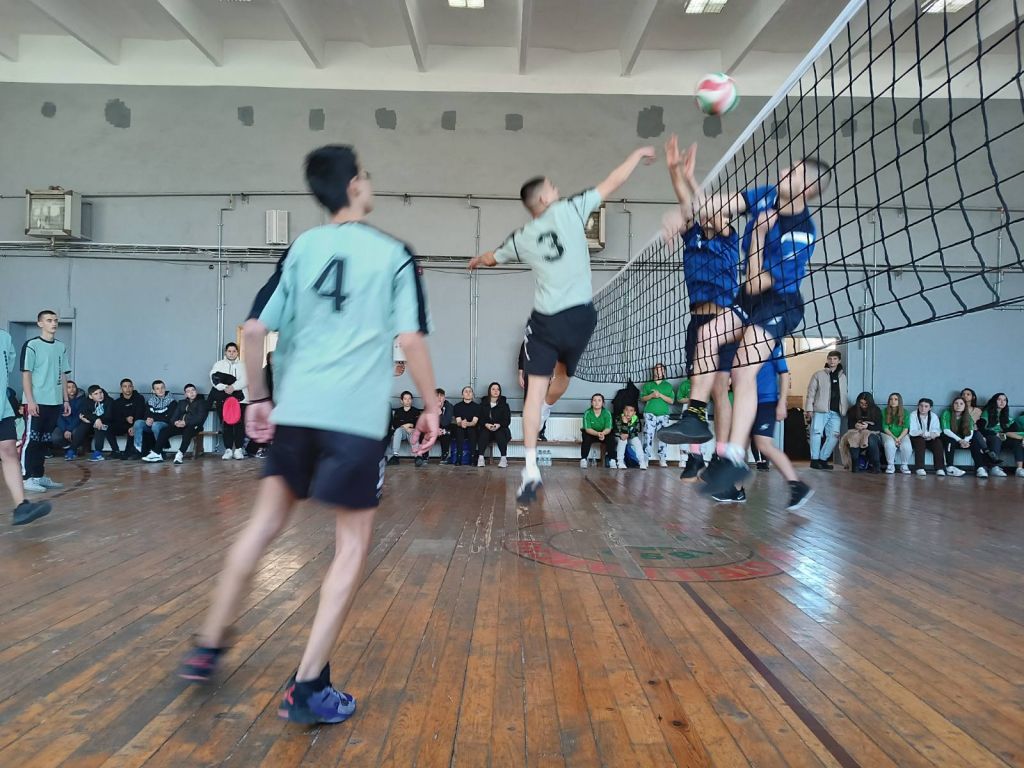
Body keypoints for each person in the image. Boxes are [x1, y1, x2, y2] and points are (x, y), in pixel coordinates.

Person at [180, 144, 439, 727]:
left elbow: (253, 331)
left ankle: (207, 646)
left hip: (296, 413)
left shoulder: (300, 249)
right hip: (355, 422)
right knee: (350, 547)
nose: (369, 181)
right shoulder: (395, 255)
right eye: (365, 174)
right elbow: (411, 340)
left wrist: (258, 399)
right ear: (353, 187)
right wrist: (431, 405)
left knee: (262, 527)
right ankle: (307, 686)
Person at [469, 145, 657, 505]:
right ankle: (544, 413)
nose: (557, 188)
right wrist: (636, 155)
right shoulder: (572, 208)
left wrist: (480, 259)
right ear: (543, 197)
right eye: (552, 186)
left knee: (533, 394)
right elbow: (613, 181)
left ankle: (530, 469)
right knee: (563, 377)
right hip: (582, 317)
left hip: (546, 322)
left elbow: (493, 257)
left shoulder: (522, 236)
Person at [659, 156, 832, 501]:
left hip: (778, 303)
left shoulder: (800, 233)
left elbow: (755, 282)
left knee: (741, 370)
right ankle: (695, 414)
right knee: (708, 335)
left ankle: (734, 457)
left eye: (794, 171)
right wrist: (682, 207)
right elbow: (714, 206)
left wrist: (759, 236)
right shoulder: (768, 195)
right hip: (749, 299)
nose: (784, 171)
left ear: (808, 188)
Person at [661, 137, 738, 481]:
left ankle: (720, 456)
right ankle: (694, 457)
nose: (709, 215)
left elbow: (705, 207)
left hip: (724, 321)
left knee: (720, 388)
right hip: (697, 320)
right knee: (697, 387)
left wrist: (692, 179)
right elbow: (685, 202)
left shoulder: (728, 238)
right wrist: (674, 170)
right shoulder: (692, 237)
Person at [714, 343, 813, 510]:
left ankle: (797, 485)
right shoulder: (738, 346)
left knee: (763, 444)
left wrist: (782, 402)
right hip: (744, 402)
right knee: (738, 446)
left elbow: (784, 374)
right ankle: (737, 491)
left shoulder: (772, 343)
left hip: (766, 402)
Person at [1, 328, 50, 524]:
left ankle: (22, 506)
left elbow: (7, 368)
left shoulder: (4, 337)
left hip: (2, 407)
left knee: (9, 451)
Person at [20, 310, 72, 493]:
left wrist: (65, 399)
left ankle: (38, 475)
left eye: (55, 320)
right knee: (31, 440)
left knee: (44, 441)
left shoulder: (61, 347)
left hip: (54, 402)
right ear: (40, 323)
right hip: (36, 402)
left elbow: (63, 374)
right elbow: (26, 374)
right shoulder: (32, 345)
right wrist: (30, 401)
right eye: (49, 320)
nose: (54, 323)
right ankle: (26, 477)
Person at [804, 351, 846, 470]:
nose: (832, 361)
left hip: (836, 411)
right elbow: (811, 392)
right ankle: (814, 460)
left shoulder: (842, 377)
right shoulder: (818, 375)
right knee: (816, 433)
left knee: (834, 436)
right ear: (827, 360)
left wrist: (844, 408)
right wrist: (809, 409)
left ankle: (823, 459)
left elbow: (844, 394)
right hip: (820, 410)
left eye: (835, 359)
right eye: (830, 359)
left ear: (839, 360)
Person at [150, 384, 210, 463]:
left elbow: (199, 418)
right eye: (188, 391)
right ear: (185, 394)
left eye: (193, 390)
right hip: (181, 426)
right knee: (164, 431)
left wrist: (185, 422)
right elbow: (174, 416)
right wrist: (175, 422)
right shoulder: (182, 402)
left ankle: (180, 454)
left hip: (195, 426)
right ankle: (157, 453)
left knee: (187, 432)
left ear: (196, 392)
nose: (191, 393)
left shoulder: (202, 402)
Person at [211, 342, 248, 460]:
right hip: (223, 399)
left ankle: (238, 449)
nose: (231, 353)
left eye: (234, 351)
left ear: (237, 352)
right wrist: (224, 387)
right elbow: (213, 378)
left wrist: (234, 387)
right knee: (226, 425)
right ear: (225, 352)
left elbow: (246, 380)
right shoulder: (218, 364)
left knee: (239, 425)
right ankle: (228, 450)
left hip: (241, 400)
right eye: (229, 351)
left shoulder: (244, 365)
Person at [640, 362, 675, 468]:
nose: (658, 371)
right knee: (647, 436)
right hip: (649, 413)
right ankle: (645, 459)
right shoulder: (648, 385)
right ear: (653, 371)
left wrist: (660, 395)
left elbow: (671, 400)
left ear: (664, 372)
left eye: (660, 369)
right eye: (656, 369)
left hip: (663, 414)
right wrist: (651, 395)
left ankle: (662, 459)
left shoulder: (668, 385)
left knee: (663, 437)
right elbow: (642, 398)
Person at [74, 385, 120, 461]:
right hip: (94, 424)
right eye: (96, 394)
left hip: (111, 424)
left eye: (100, 392)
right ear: (91, 396)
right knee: (83, 425)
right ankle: (72, 450)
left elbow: (108, 417)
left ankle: (98, 453)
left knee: (99, 426)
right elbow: (84, 413)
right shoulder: (87, 401)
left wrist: (96, 420)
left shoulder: (109, 401)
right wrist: (94, 419)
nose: (100, 395)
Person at [939, 396, 978, 477]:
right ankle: (950, 467)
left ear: (965, 406)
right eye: (956, 403)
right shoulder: (946, 413)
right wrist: (960, 440)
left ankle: (980, 467)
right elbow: (946, 430)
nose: (958, 405)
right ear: (953, 405)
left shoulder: (967, 416)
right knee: (950, 440)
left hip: (962, 440)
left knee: (975, 439)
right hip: (948, 437)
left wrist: (965, 441)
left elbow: (970, 431)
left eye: (961, 404)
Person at [844, 392, 882, 473]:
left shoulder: (876, 410)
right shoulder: (853, 410)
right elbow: (849, 426)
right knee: (853, 438)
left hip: (872, 433)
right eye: (861, 403)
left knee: (871, 439)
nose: (863, 405)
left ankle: (876, 465)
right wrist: (856, 425)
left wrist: (867, 426)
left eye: (866, 404)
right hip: (856, 433)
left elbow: (879, 427)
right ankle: (855, 464)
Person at [137, 380, 175, 460]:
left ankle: (159, 451)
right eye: (157, 388)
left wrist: (153, 419)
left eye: (162, 388)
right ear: (153, 391)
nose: (160, 390)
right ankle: (138, 447)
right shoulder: (150, 401)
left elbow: (169, 417)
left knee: (156, 425)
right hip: (151, 424)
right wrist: (147, 420)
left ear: (165, 388)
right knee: (138, 423)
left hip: (165, 424)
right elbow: (146, 414)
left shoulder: (172, 401)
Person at [477, 382, 511, 467]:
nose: (496, 391)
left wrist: (498, 425)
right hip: (486, 428)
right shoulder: (483, 404)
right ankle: (480, 458)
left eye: (498, 389)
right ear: (489, 391)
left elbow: (507, 420)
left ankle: (503, 459)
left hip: (500, 428)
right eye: (493, 389)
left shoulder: (504, 405)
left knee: (500, 433)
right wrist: (486, 424)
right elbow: (480, 418)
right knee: (484, 433)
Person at [977, 393, 1011, 477]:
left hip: (1003, 437)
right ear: (994, 401)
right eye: (999, 399)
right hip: (989, 436)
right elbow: (981, 429)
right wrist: (996, 434)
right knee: (996, 439)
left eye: (1004, 400)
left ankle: (1020, 469)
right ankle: (994, 467)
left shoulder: (1006, 414)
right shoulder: (987, 412)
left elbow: (1013, 429)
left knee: (1017, 441)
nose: (1002, 402)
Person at [110, 379, 146, 460]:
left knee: (133, 429)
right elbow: (116, 417)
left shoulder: (139, 398)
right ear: (121, 389)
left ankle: (130, 452)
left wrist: (133, 425)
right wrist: (125, 418)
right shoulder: (117, 402)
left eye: (130, 386)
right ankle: (116, 451)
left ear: (133, 387)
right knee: (108, 428)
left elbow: (140, 413)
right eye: (125, 386)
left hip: (136, 423)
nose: (127, 388)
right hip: (124, 424)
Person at [909, 398, 946, 476]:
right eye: (921, 406)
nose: (923, 408)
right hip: (917, 438)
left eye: (926, 406)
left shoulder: (934, 416)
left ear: (930, 408)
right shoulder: (913, 415)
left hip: (930, 438)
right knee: (920, 441)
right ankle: (920, 468)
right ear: (918, 406)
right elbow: (912, 431)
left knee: (938, 443)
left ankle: (939, 468)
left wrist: (930, 435)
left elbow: (937, 431)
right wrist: (926, 434)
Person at [387, 391, 425, 467]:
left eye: (409, 399)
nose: (407, 401)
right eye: (405, 399)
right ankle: (395, 456)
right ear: (402, 401)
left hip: (412, 431)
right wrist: (406, 426)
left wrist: (411, 425)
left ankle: (417, 457)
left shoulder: (416, 411)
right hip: (402, 432)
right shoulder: (398, 411)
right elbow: (395, 424)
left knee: (414, 433)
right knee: (398, 430)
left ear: (412, 400)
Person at [517, 343, 546, 441]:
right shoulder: (527, 341)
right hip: (529, 374)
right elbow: (521, 358)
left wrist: (553, 375)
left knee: (543, 405)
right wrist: (520, 375)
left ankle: (540, 432)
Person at [881, 392, 913, 474]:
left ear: (900, 401)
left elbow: (906, 429)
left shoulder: (906, 412)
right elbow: (885, 428)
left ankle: (904, 465)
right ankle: (890, 465)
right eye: (891, 399)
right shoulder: (884, 411)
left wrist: (899, 438)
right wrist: (895, 438)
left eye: (896, 399)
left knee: (907, 446)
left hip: (902, 434)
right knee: (889, 444)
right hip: (888, 434)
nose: (893, 401)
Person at [53, 380, 86, 457]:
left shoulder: (82, 400)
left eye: (73, 387)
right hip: (63, 426)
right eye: (68, 387)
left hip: (76, 425)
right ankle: (67, 447)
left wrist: (69, 429)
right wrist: (65, 430)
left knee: (76, 434)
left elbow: (78, 417)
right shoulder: (59, 400)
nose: (72, 389)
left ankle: (76, 448)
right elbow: (58, 417)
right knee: (55, 437)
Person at [581, 393, 614, 468]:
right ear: (591, 403)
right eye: (594, 400)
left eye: (599, 400)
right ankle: (583, 459)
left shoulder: (607, 413)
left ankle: (612, 460)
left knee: (611, 438)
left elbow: (608, 428)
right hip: (592, 434)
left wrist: (603, 433)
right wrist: (597, 434)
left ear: (603, 403)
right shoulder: (587, 413)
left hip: (604, 434)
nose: (597, 402)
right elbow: (587, 429)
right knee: (586, 437)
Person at [451, 386, 479, 466]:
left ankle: (473, 459)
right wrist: (462, 423)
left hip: (472, 428)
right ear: (462, 395)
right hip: (461, 427)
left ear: (472, 394)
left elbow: (474, 422)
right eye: (466, 391)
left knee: (472, 430)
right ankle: (459, 458)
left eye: (470, 391)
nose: (468, 393)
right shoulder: (457, 406)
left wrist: (466, 423)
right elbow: (458, 421)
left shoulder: (477, 407)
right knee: (459, 431)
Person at [614, 404, 648, 470]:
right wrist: (625, 423)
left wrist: (627, 434)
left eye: (631, 411)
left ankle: (642, 461)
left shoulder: (636, 419)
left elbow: (636, 431)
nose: (628, 412)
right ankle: (620, 462)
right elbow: (620, 432)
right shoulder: (618, 418)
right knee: (623, 441)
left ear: (634, 413)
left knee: (637, 441)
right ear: (623, 411)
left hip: (630, 436)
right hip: (618, 437)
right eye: (626, 410)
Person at [436, 388, 454, 463]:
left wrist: (439, 412)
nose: (439, 398)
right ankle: (424, 456)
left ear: (444, 398)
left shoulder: (449, 406)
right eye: (437, 396)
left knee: (446, 432)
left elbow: (445, 423)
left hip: (445, 428)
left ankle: (444, 456)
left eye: (441, 396)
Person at [1007, 411, 1024, 477]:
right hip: (1015, 438)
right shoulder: (1021, 418)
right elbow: (1007, 433)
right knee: (1018, 443)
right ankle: (1019, 469)